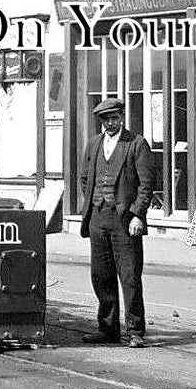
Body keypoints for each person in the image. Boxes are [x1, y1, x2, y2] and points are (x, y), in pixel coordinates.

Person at [78, 98, 155, 347]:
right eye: (105, 119)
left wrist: (137, 215)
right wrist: (94, 202)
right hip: (98, 218)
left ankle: (135, 331)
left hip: (125, 220)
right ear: (101, 121)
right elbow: (84, 178)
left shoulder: (136, 144)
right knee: (101, 276)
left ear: (122, 117)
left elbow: (146, 184)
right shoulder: (93, 144)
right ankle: (108, 328)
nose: (110, 123)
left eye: (114, 118)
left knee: (130, 275)